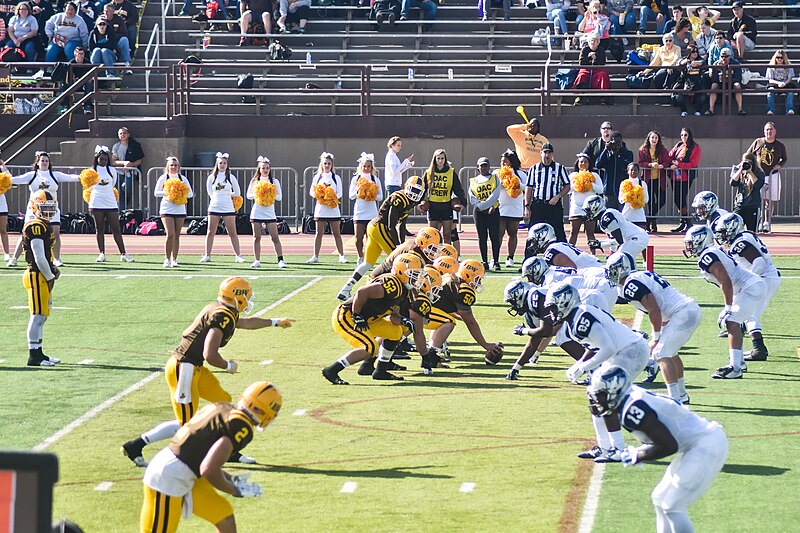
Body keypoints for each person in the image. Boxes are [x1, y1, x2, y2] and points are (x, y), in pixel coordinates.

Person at [122, 277, 294, 467]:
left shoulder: (223, 310)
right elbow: (210, 354)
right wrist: (228, 366)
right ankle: (135, 445)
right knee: (186, 424)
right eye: (246, 296)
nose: (248, 300)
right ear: (237, 296)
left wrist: (276, 322)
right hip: (183, 367)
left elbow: (246, 323)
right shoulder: (223, 315)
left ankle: (227, 450)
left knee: (223, 403)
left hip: (194, 366)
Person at [586, 366, 728, 533]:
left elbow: (668, 446)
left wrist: (638, 454)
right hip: (693, 444)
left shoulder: (633, 408)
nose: (597, 400)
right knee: (660, 498)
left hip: (705, 443)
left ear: (614, 389)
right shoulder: (629, 400)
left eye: (600, 394)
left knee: (672, 506)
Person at [139, 381, 282, 533]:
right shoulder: (241, 426)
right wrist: (234, 489)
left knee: (223, 515)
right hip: (170, 478)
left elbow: (200, 452)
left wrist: (230, 479)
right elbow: (209, 469)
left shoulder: (223, 406)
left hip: (183, 469)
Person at [546, 282, 649, 463]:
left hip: (630, 351)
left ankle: (617, 448)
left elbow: (607, 347)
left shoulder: (580, 317)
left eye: (554, 306)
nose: (552, 312)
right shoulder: (575, 317)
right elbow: (595, 345)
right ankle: (604, 447)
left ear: (564, 302)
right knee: (594, 395)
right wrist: (580, 363)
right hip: (623, 351)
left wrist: (583, 367)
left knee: (605, 397)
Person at [607, 251, 698, 403]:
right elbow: (659, 306)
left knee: (660, 354)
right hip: (686, 311)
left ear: (621, 268)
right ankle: (681, 394)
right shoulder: (639, 277)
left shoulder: (631, 284)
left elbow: (654, 309)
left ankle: (674, 398)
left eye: (612, 269)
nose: (610, 273)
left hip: (682, 313)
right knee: (671, 352)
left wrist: (656, 337)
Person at [324, 253, 422, 384]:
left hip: (368, 319)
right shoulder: (392, 283)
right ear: (401, 270)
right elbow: (362, 292)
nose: (416, 278)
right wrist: (357, 314)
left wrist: (403, 320)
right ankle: (332, 370)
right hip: (347, 315)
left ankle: (380, 370)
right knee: (370, 347)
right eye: (414, 274)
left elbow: (393, 317)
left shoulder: (403, 290)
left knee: (396, 332)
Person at [683, 224, 764, 379]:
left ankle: (735, 368)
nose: (689, 247)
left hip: (750, 287)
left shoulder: (708, 256)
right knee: (733, 321)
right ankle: (738, 363)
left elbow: (725, 281)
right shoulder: (710, 252)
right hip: (749, 287)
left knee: (731, 320)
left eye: (691, 242)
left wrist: (728, 307)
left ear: (700, 239)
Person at [336, 176, 425, 301]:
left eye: (417, 191)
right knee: (399, 261)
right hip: (379, 227)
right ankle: (402, 294)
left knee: (367, 263)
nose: (414, 194)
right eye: (413, 190)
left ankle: (345, 290)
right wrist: (398, 246)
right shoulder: (398, 198)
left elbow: (402, 226)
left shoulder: (410, 202)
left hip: (376, 228)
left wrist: (402, 243)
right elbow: (391, 225)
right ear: (406, 187)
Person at [714, 212, 779, 362]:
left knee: (751, 313)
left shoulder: (740, 242)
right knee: (746, 311)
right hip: (767, 277)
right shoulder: (743, 237)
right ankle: (745, 334)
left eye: (723, 232)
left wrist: (749, 281)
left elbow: (759, 263)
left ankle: (759, 349)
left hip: (764, 277)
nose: (721, 236)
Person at [423, 259, 504, 365]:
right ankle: (431, 355)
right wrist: (486, 345)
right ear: (468, 275)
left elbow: (444, 306)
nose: (479, 283)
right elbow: (470, 322)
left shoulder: (451, 277)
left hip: (424, 307)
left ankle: (431, 351)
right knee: (448, 322)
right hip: (423, 310)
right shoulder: (463, 289)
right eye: (478, 279)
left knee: (445, 319)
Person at [7, 151, 80, 268]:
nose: (45, 162)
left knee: (55, 233)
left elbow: (70, 177)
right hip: (34, 209)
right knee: (26, 233)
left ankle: (57, 258)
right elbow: (16, 179)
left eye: (46, 161)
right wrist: (5, 178)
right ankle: (14, 258)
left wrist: (83, 177)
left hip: (52, 208)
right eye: (42, 160)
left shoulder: (54, 175)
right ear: (38, 162)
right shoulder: (32, 175)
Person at [20, 191, 61, 367]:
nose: (48, 212)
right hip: (37, 274)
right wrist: (50, 275)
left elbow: (45, 255)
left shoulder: (44, 224)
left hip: (43, 273)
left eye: (50, 208)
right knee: (37, 316)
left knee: (43, 315)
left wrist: (52, 267)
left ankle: (40, 352)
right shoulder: (35, 226)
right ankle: (34, 356)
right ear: (35, 206)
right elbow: (38, 257)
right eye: (44, 207)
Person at [87, 146, 134, 263]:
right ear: (96, 159)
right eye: (101, 159)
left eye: (105, 159)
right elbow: (89, 186)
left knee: (116, 228)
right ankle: (101, 253)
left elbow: (113, 184)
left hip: (110, 202)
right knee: (100, 228)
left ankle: (123, 253)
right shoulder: (91, 171)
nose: (103, 161)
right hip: (96, 201)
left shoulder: (112, 170)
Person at [200, 153, 245, 263]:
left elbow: (238, 192)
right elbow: (210, 192)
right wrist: (218, 197)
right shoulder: (211, 177)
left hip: (228, 208)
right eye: (220, 163)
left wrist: (227, 195)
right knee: (210, 232)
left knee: (232, 232)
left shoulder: (230, 177)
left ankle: (238, 255)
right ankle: (207, 255)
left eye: (224, 163)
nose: (222, 165)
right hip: (214, 207)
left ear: (227, 164)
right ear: (217, 164)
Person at [747, 122, 787, 233]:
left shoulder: (780, 145)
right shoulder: (758, 142)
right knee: (759, 200)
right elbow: (749, 155)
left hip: (773, 175)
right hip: (759, 176)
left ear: (775, 131)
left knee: (770, 200)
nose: (769, 132)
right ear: (764, 131)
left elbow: (784, 158)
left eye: (771, 129)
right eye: (767, 130)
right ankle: (758, 222)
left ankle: (767, 222)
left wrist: (780, 165)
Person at [154, 156, 194, 268]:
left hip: (180, 209)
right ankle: (166, 259)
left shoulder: (182, 178)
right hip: (167, 209)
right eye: (171, 165)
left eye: (175, 165)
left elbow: (190, 194)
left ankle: (174, 259)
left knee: (177, 235)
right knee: (170, 234)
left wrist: (180, 193)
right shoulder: (164, 177)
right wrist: (169, 193)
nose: (173, 167)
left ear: (178, 167)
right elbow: (156, 193)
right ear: (167, 166)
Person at [583, 194, 650, 260]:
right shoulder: (604, 216)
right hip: (633, 237)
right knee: (618, 260)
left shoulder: (607, 217)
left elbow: (619, 240)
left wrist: (601, 244)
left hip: (637, 237)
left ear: (595, 207)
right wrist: (600, 243)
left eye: (588, 210)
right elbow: (617, 239)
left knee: (619, 259)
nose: (587, 214)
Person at [525, 143, 570, 242]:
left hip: (553, 205)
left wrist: (558, 196)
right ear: (541, 153)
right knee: (533, 232)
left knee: (559, 232)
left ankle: (563, 255)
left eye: (549, 153)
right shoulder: (534, 169)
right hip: (538, 204)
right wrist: (527, 206)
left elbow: (567, 185)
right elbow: (529, 188)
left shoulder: (559, 168)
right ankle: (529, 257)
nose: (547, 155)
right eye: (545, 152)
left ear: (552, 154)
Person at [246, 156, 285, 269]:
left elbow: (279, 197)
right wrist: (259, 194)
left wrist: (270, 193)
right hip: (257, 211)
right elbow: (248, 195)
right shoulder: (255, 181)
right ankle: (257, 260)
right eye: (263, 168)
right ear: (259, 169)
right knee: (256, 237)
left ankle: (280, 260)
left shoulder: (274, 181)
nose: (265, 170)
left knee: (275, 237)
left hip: (269, 211)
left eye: (267, 168)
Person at [307, 151, 346, 264]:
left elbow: (340, 193)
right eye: (325, 163)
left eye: (329, 163)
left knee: (336, 233)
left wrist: (330, 198)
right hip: (321, 208)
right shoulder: (317, 177)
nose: (327, 165)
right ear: (322, 164)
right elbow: (311, 191)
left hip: (333, 208)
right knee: (319, 233)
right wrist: (321, 197)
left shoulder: (336, 177)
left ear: (332, 164)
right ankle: (315, 256)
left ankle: (341, 256)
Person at [421, 149, 465, 245]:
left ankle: (447, 257)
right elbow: (422, 189)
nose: (440, 160)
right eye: (438, 158)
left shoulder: (451, 173)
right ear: (434, 159)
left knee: (447, 234)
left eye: (442, 158)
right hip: (433, 207)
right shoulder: (428, 173)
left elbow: (458, 189)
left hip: (446, 206)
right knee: (432, 235)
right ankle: (432, 258)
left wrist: (463, 202)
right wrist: (419, 203)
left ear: (445, 159)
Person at [349, 153, 384, 265]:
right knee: (358, 238)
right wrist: (359, 191)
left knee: (370, 238)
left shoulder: (375, 179)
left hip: (371, 212)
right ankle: (360, 256)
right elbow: (351, 196)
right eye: (364, 166)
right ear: (361, 166)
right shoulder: (356, 179)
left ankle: (368, 259)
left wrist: (372, 194)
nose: (366, 168)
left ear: (372, 167)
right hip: (359, 212)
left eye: (368, 166)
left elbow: (380, 197)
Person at [469, 157, 502, 271]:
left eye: (485, 165)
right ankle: (484, 261)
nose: (484, 168)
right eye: (481, 166)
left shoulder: (495, 178)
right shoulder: (473, 181)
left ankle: (496, 261)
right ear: (477, 168)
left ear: (489, 167)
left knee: (494, 236)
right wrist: (482, 208)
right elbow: (472, 198)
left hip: (493, 211)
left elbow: (495, 195)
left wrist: (489, 206)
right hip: (479, 212)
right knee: (482, 237)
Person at [526, 222, 603, 269]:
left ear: (543, 237)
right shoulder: (558, 245)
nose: (533, 245)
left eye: (534, 241)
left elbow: (572, 269)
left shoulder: (552, 251)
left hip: (594, 275)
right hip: (595, 270)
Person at [668, 127, 701, 233]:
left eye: (685, 135)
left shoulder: (695, 147)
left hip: (686, 176)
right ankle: (683, 222)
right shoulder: (678, 145)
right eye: (682, 135)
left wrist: (679, 164)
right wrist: (672, 164)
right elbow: (670, 156)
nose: (683, 137)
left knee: (681, 198)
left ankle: (687, 221)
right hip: (675, 176)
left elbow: (693, 164)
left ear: (689, 135)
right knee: (677, 199)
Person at [495, 149, 525, 267]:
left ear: (511, 162)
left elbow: (527, 187)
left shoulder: (519, 174)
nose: (503, 163)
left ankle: (510, 258)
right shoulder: (496, 173)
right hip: (501, 207)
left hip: (515, 208)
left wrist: (517, 185)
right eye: (502, 161)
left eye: (505, 161)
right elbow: (492, 186)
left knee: (512, 233)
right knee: (499, 233)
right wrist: (501, 184)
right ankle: (495, 258)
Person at [567, 152, 603, 246]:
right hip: (576, 207)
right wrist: (578, 184)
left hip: (590, 209)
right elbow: (567, 190)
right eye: (581, 162)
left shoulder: (594, 175)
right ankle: (570, 253)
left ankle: (593, 256)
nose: (583, 164)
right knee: (573, 232)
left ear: (589, 163)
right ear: (577, 163)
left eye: (585, 162)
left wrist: (590, 184)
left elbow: (601, 190)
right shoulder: (573, 175)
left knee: (590, 234)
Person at [638, 131, 671, 233]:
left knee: (662, 200)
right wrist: (650, 165)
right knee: (651, 202)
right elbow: (640, 162)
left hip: (659, 179)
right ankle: (653, 223)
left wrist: (662, 165)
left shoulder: (662, 149)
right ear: (649, 139)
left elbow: (667, 161)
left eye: (656, 138)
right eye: (652, 138)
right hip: (648, 179)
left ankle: (649, 219)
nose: (654, 140)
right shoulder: (643, 149)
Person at [596, 131, 634, 212]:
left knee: (622, 215)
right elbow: (598, 164)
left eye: (618, 142)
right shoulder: (607, 153)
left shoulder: (627, 153)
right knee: (609, 213)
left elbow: (625, 168)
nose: (617, 145)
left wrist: (618, 156)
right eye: (614, 142)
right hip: (609, 190)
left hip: (622, 190)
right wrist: (605, 150)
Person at [111, 126, 145, 210]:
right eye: (120, 133)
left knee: (126, 188)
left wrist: (131, 164)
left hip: (130, 173)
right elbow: (114, 162)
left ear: (128, 134)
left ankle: (125, 205)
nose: (122, 135)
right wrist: (124, 163)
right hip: (118, 173)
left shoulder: (135, 146)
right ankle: (121, 211)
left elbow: (140, 160)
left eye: (124, 133)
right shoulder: (116, 146)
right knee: (118, 193)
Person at [729, 152, 764, 232]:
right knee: (734, 230)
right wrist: (740, 169)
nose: (747, 164)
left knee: (752, 232)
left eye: (749, 162)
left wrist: (750, 172)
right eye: (745, 161)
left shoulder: (759, 172)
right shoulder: (738, 170)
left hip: (753, 206)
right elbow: (733, 182)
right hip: (740, 206)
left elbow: (758, 185)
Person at [573, 34, 610, 105]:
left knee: (603, 75)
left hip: (597, 70)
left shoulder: (601, 50)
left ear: (598, 43)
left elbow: (602, 62)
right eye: (591, 41)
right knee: (582, 75)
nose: (593, 43)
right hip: (586, 69)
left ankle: (603, 97)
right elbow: (581, 63)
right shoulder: (584, 49)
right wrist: (589, 57)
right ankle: (580, 96)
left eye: (595, 41)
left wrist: (596, 56)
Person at [706, 47, 745, 115]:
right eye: (722, 56)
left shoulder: (735, 63)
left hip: (732, 83)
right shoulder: (716, 64)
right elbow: (713, 79)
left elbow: (738, 78)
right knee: (714, 85)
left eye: (726, 56)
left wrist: (728, 80)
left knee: (737, 85)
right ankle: (711, 109)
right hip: (720, 84)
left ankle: (740, 109)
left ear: (730, 56)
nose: (724, 58)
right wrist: (718, 70)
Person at [674, 45, 708, 117]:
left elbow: (703, 62)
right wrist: (684, 62)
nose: (695, 53)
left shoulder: (699, 59)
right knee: (678, 96)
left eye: (696, 52)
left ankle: (698, 111)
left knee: (703, 96)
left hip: (697, 83)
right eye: (693, 52)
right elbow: (678, 63)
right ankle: (684, 111)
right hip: (684, 82)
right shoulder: (684, 59)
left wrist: (699, 63)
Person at [100, 2, 132, 71]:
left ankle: (127, 63)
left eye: (107, 11)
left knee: (124, 39)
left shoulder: (118, 19)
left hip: (116, 41)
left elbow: (124, 33)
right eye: (104, 11)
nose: (105, 13)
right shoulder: (101, 20)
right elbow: (97, 34)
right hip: (105, 42)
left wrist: (113, 38)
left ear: (113, 11)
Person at [617, 162, 649, 229]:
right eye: (631, 170)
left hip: (639, 216)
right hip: (627, 214)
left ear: (638, 171)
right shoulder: (623, 184)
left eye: (635, 170)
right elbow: (620, 199)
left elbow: (646, 199)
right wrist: (628, 197)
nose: (633, 171)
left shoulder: (642, 183)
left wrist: (638, 199)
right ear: (628, 171)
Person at [765, 50, 796, 116]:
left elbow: (790, 78)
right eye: (777, 57)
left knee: (790, 91)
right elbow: (770, 80)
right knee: (770, 91)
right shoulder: (771, 66)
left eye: (781, 58)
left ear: (784, 58)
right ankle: (771, 110)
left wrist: (784, 83)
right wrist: (778, 83)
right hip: (775, 83)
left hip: (786, 83)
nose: (779, 59)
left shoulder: (789, 65)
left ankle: (789, 109)